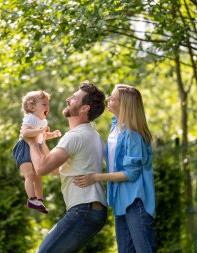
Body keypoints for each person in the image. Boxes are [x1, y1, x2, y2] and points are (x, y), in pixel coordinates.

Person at [23, 82, 108, 253]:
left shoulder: (75, 136)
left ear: (85, 108)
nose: (68, 99)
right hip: (90, 210)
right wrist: (41, 143)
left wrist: (31, 142)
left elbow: (41, 168)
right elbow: (55, 169)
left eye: (75, 98)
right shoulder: (90, 134)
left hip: (84, 210)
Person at [74, 84, 157, 253]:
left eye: (112, 98)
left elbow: (131, 174)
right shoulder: (115, 128)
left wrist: (95, 177)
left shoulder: (134, 135)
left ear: (124, 105)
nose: (108, 100)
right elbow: (112, 158)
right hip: (120, 201)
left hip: (135, 201)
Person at [12, 90, 61, 214]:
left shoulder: (42, 121)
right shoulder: (30, 118)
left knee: (38, 176)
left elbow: (41, 136)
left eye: (48, 104)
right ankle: (32, 199)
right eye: (44, 105)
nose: (47, 107)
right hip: (24, 147)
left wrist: (51, 134)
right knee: (29, 174)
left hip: (36, 148)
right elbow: (25, 133)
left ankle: (39, 200)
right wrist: (41, 130)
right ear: (32, 106)